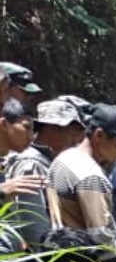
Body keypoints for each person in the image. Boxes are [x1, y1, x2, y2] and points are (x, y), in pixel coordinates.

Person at [49, 104, 116, 252]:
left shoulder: (63, 158)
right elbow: (102, 237)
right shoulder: (91, 175)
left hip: (65, 257)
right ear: (99, 135)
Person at [1, 99, 82, 253]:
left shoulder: (47, 161)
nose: (75, 138)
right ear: (49, 129)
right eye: (69, 131)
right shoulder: (31, 163)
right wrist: (47, 261)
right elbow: (34, 224)